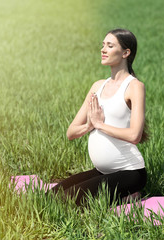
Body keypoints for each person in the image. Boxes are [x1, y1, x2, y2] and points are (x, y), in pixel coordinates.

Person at [51, 28, 147, 206]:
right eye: (103, 45)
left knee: (66, 201)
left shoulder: (134, 87)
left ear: (126, 53)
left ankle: (130, 194)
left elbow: (135, 136)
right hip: (103, 171)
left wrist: (100, 125)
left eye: (110, 46)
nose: (103, 50)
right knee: (51, 195)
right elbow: (71, 132)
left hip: (130, 172)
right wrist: (89, 125)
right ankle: (124, 196)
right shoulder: (97, 86)